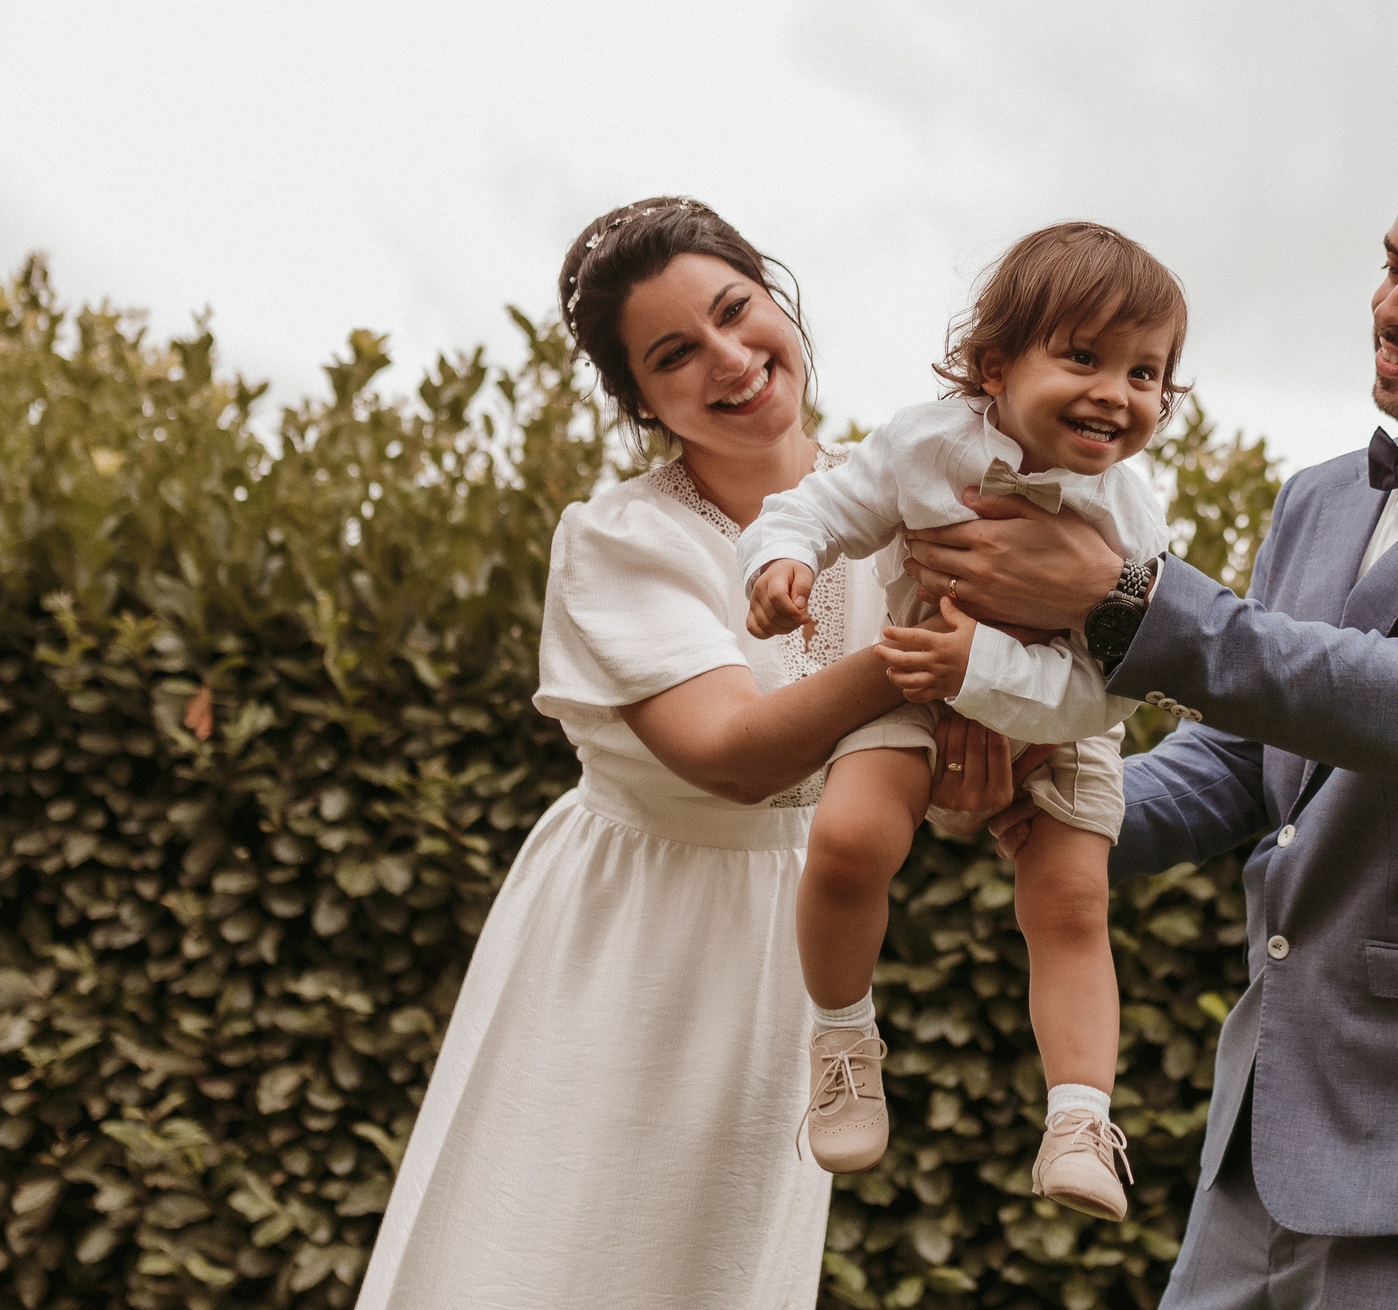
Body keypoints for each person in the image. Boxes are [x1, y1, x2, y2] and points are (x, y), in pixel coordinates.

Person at [904, 123, 1398, 1309]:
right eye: (1393, 265)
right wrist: (1039, 793)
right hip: (1267, 1129)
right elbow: (1234, 758)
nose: (1394, 306)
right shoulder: (1318, 499)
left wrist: (1119, 596)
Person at [356, 197, 1022, 1310]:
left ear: (777, 301)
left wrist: (977, 751)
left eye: (735, 311)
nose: (729, 358)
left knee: (713, 1266)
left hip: (789, 944)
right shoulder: (623, 539)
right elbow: (730, 754)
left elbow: (921, 768)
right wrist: (937, 670)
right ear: (640, 401)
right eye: (674, 353)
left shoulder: (910, 505)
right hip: (623, 934)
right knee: (551, 1244)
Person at [736, 221, 1184, 1220]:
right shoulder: (922, 446)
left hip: (1064, 716)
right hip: (912, 684)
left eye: (1147, 372)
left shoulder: (1132, 519)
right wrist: (781, 563)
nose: (1119, 391)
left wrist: (983, 668)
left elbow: (1118, 683)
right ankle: (843, 1035)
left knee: (1070, 904)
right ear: (994, 364)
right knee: (847, 839)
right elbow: (811, 504)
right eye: (1085, 357)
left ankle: (1079, 1118)